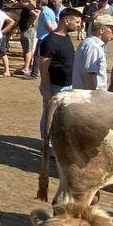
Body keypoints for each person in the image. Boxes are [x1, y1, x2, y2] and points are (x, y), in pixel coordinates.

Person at [38, 8, 82, 140]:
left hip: (67, 85)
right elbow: (43, 67)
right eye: (77, 22)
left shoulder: (66, 37)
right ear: (67, 21)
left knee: (62, 117)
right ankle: (48, 144)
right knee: (50, 115)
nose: (79, 25)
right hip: (55, 85)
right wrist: (47, 89)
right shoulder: (50, 41)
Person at [75, 16, 113, 91]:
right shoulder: (93, 47)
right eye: (112, 28)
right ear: (102, 30)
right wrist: (92, 99)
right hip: (91, 96)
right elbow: (88, 75)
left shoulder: (91, 43)